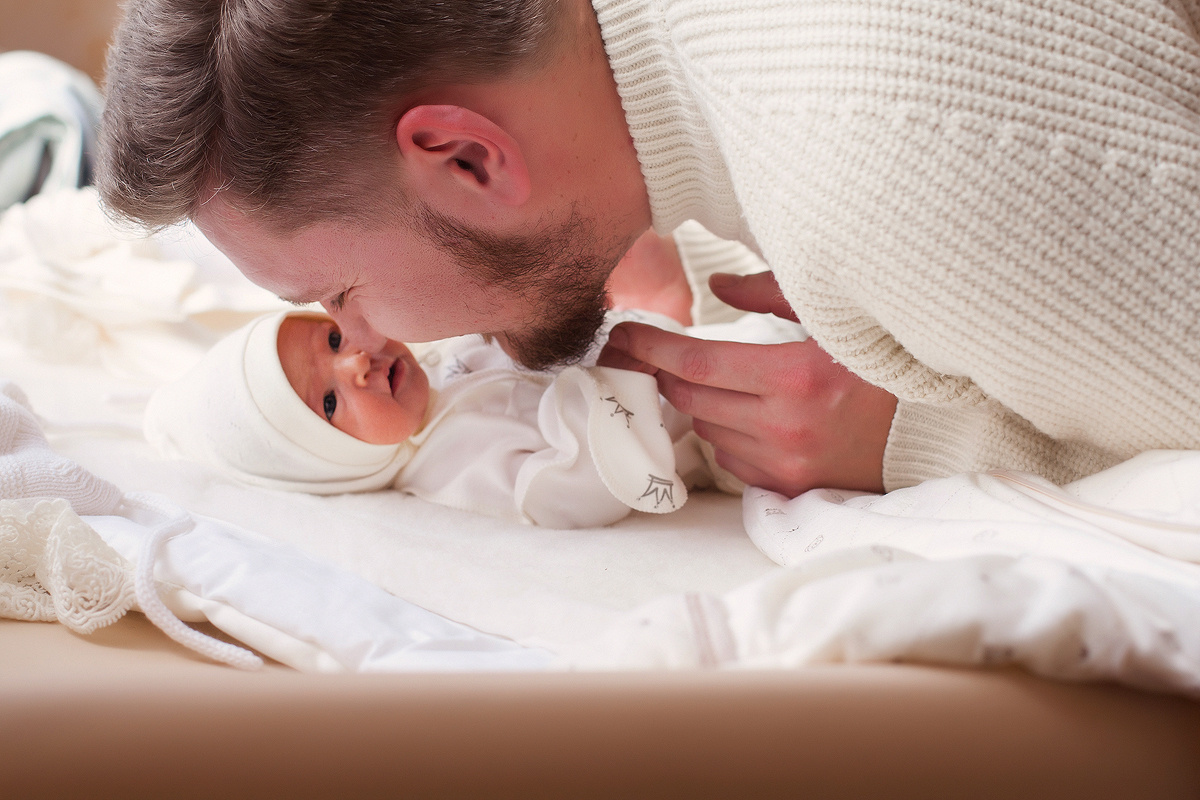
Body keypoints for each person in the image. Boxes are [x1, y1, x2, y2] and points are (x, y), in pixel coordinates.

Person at [98, 0, 1200, 498]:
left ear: (469, 162)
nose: (371, 337)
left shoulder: (886, 170)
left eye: (340, 292)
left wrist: (917, 443)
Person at [143, 308, 769, 528]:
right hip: (716, 432)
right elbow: (570, 497)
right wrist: (610, 388)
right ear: (334, 464)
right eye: (330, 403)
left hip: (687, 350)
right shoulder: (449, 466)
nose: (356, 363)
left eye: (333, 341)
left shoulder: (440, 358)